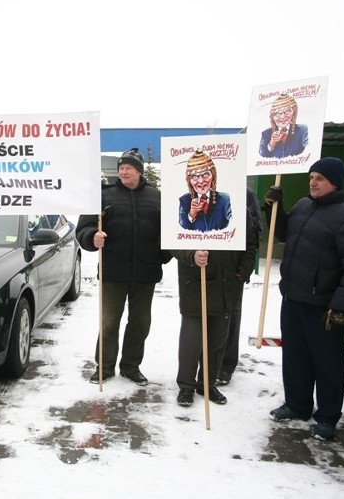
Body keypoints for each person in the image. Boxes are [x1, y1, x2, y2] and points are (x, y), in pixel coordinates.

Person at [262, 157, 344, 440]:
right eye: (312, 177)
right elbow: (284, 233)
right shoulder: (302, 206)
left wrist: (341, 306)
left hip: (325, 306)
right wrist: (274, 209)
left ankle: (327, 415)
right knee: (295, 357)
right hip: (294, 297)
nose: (313, 182)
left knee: (327, 363)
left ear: (336, 182)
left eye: (320, 178)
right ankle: (297, 405)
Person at [77, 148, 171, 386]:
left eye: (128, 167)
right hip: (113, 272)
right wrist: (91, 238)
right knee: (109, 322)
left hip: (146, 272)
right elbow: (83, 229)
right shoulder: (103, 196)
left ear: (139, 171)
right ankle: (105, 367)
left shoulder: (156, 197)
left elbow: (170, 232)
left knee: (140, 323)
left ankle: (131, 366)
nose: (123, 171)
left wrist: (163, 255)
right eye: (120, 168)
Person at [171, 201, 258, 407]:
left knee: (218, 340)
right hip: (195, 283)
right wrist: (191, 255)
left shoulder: (238, 208)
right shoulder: (183, 206)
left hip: (228, 284)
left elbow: (251, 243)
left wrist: (244, 270)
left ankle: (207, 384)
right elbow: (170, 242)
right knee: (191, 340)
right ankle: (186, 385)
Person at [216, 188, 263, 386]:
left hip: (233, 272)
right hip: (206, 270)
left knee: (231, 320)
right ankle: (206, 365)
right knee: (205, 321)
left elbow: (254, 234)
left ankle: (226, 366)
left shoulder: (246, 194)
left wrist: (244, 269)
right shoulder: (200, 190)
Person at [178, 148, 232, 231]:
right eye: (195, 177)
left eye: (205, 175)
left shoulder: (224, 200)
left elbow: (231, 225)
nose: (201, 181)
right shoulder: (184, 200)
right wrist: (192, 213)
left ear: (213, 176)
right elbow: (182, 226)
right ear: (189, 181)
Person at [258, 93, 309, 158]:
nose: (282, 117)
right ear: (272, 117)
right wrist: (271, 144)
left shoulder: (303, 131)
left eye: (287, 111)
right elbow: (261, 156)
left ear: (294, 112)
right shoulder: (266, 134)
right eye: (277, 113)